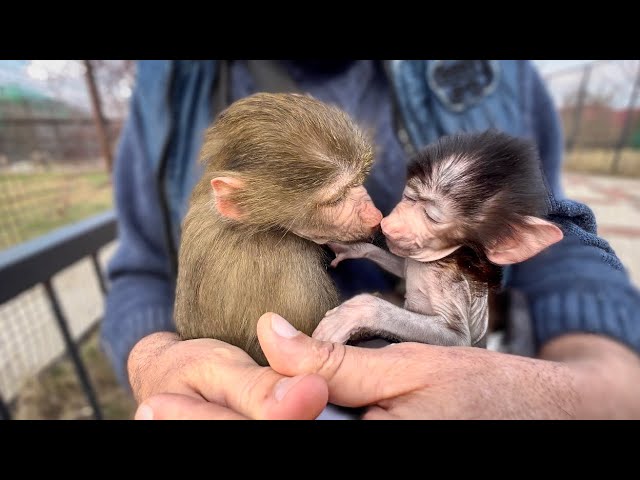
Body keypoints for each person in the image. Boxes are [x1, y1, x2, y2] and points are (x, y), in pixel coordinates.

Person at [102, 60, 640, 420]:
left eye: (365, 182)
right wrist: (155, 365)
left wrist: (601, 384)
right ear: (234, 201)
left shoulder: (499, 74)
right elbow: (144, 268)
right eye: (335, 198)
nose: (378, 215)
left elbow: (552, 236)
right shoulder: (167, 84)